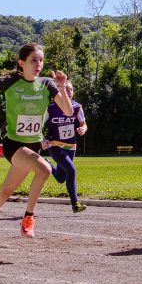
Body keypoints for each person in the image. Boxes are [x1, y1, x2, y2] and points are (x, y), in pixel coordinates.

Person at [0, 43, 63, 246]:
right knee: (45, 170)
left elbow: (66, 109)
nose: (38, 64)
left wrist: (62, 87)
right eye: (33, 60)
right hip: (13, 144)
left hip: (34, 146)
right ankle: (28, 218)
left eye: (41, 60)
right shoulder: (10, 82)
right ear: (21, 63)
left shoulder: (47, 84)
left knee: (6, 192)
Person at [42, 78, 89, 213]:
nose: (69, 92)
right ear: (60, 91)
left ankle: (48, 165)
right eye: (66, 89)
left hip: (71, 146)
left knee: (62, 178)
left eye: (71, 89)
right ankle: (75, 204)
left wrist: (83, 129)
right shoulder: (50, 108)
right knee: (72, 170)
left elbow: (83, 124)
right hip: (55, 145)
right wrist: (42, 139)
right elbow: (38, 126)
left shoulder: (77, 107)